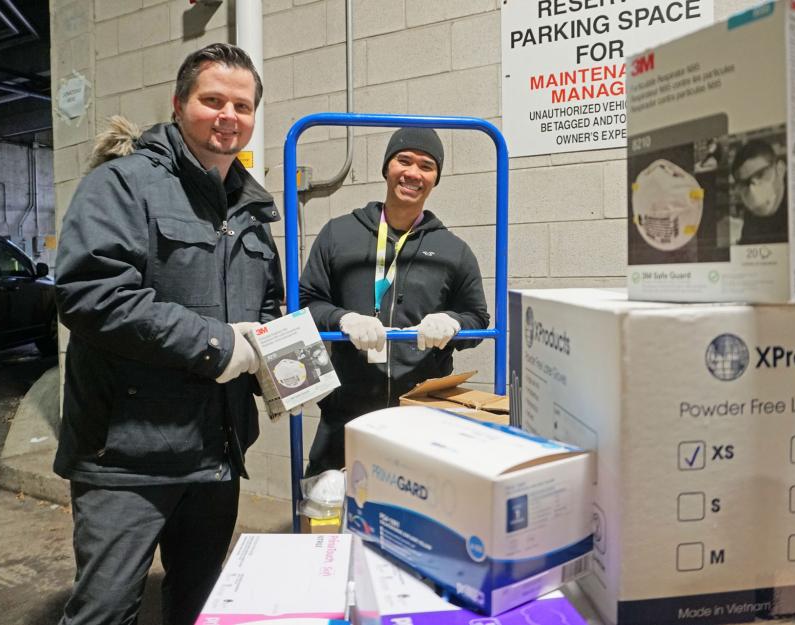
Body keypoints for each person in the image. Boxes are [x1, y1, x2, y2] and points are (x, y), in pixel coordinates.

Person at [53, 43, 283, 625]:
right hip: (129, 459)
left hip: (217, 456)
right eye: (212, 100)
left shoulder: (254, 210)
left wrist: (285, 357)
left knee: (199, 607)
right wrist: (217, 344)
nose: (228, 116)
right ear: (180, 104)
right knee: (104, 612)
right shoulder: (124, 185)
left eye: (242, 105)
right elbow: (91, 295)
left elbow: (269, 306)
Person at [299, 127, 489, 475]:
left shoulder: (453, 250)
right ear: (387, 168)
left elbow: (477, 319)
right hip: (346, 413)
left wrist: (453, 322)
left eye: (426, 166)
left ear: (435, 179)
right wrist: (343, 320)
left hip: (421, 413)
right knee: (332, 511)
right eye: (404, 161)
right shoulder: (338, 234)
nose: (413, 173)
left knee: (417, 513)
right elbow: (308, 303)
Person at [731, 138, 788, 245]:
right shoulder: (751, 216)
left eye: (761, 174)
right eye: (745, 183)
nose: (753, 190)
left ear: (780, 169)